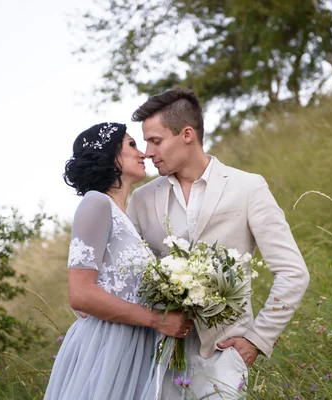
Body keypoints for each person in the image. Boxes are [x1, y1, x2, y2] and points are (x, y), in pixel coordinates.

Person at [127, 89, 310, 399]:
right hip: (160, 357)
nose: (147, 152)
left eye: (155, 141)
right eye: (145, 142)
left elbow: (294, 272)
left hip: (226, 354)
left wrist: (256, 340)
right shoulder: (142, 199)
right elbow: (129, 275)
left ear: (187, 134)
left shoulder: (248, 187)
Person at [45, 122, 194, 400]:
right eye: (132, 145)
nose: (144, 154)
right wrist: (157, 321)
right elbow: (81, 294)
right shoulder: (96, 203)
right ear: (111, 156)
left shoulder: (124, 217)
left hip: (135, 346)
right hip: (107, 347)